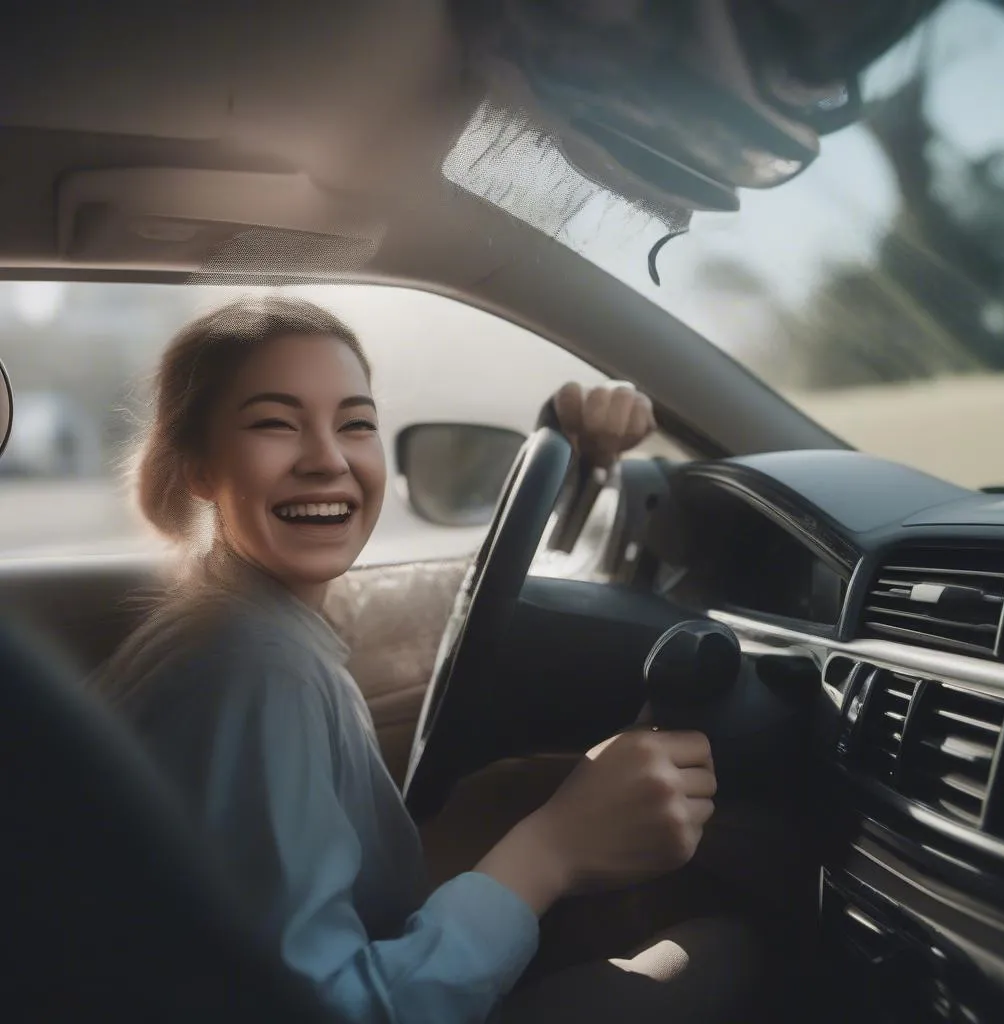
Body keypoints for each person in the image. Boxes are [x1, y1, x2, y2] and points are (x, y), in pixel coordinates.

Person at [93, 295, 745, 1024]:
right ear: (197, 470)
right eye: (275, 424)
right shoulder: (257, 668)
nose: (328, 459)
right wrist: (551, 850)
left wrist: (584, 466)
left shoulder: (235, 625)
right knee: (727, 961)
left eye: (356, 423)